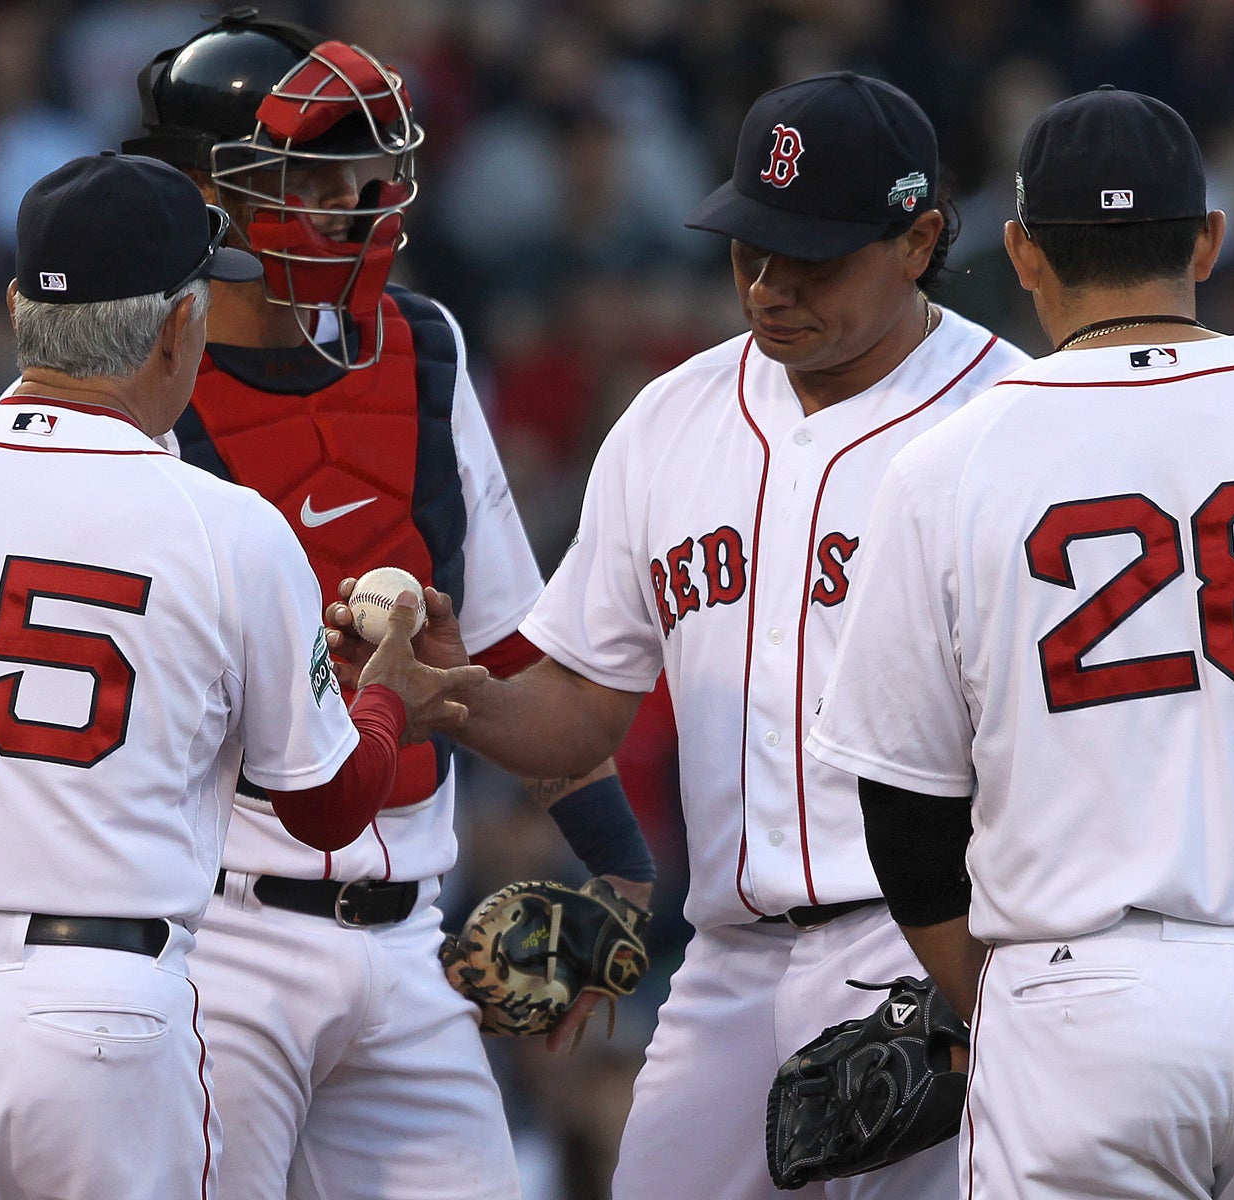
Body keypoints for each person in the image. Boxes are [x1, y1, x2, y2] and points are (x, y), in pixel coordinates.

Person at [0, 151, 482, 1200]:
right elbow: (326, 808)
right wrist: (385, 702)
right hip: (91, 1017)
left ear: (18, 309)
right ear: (182, 329)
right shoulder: (222, 523)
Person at [391, 72, 1028, 1200]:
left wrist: (996, 983)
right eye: (749, 251)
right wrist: (454, 696)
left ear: (919, 239)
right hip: (727, 962)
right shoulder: (672, 417)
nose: (771, 287)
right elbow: (583, 708)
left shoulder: (1012, 423)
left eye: (813, 257)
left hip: (933, 952)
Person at [806, 86, 1234, 1199]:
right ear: (1207, 239)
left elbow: (903, 813)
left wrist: (1002, 1004)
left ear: (1023, 251)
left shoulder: (950, 463)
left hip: (1080, 995)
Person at [122, 12, 655, 1198]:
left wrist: (616, 869)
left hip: (413, 940)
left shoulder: (425, 342)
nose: (358, 204)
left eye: (371, 170)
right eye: (315, 177)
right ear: (208, 197)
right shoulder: (138, 384)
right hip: (217, 937)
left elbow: (512, 652)